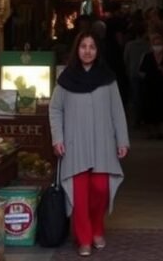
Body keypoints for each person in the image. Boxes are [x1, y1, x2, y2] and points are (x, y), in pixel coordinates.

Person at [49, 33, 130, 257]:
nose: (87, 51)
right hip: (75, 145)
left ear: (98, 51)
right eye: (83, 46)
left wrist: (122, 140)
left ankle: (97, 228)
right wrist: (58, 139)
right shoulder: (66, 79)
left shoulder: (108, 78)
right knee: (80, 195)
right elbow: (55, 109)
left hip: (103, 144)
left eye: (92, 47)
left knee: (100, 189)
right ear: (77, 50)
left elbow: (117, 111)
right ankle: (84, 238)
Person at [139, 32, 163, 137]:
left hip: (162, 86)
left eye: (159, 44)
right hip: (149, 86)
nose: (157, 47)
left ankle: (160, 131)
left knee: (161, 108)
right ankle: (150, 131)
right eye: (155, 44)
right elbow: (141, 71)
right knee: (149, 108)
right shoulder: (147, 56)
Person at [122, 22, 150, 120]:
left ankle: (136, 118)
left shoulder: (129, 45)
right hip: (145, 73)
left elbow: (125, 59)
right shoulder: (148, 45)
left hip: (132, 72)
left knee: (135, 97)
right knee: (144, 96)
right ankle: (144, 117)